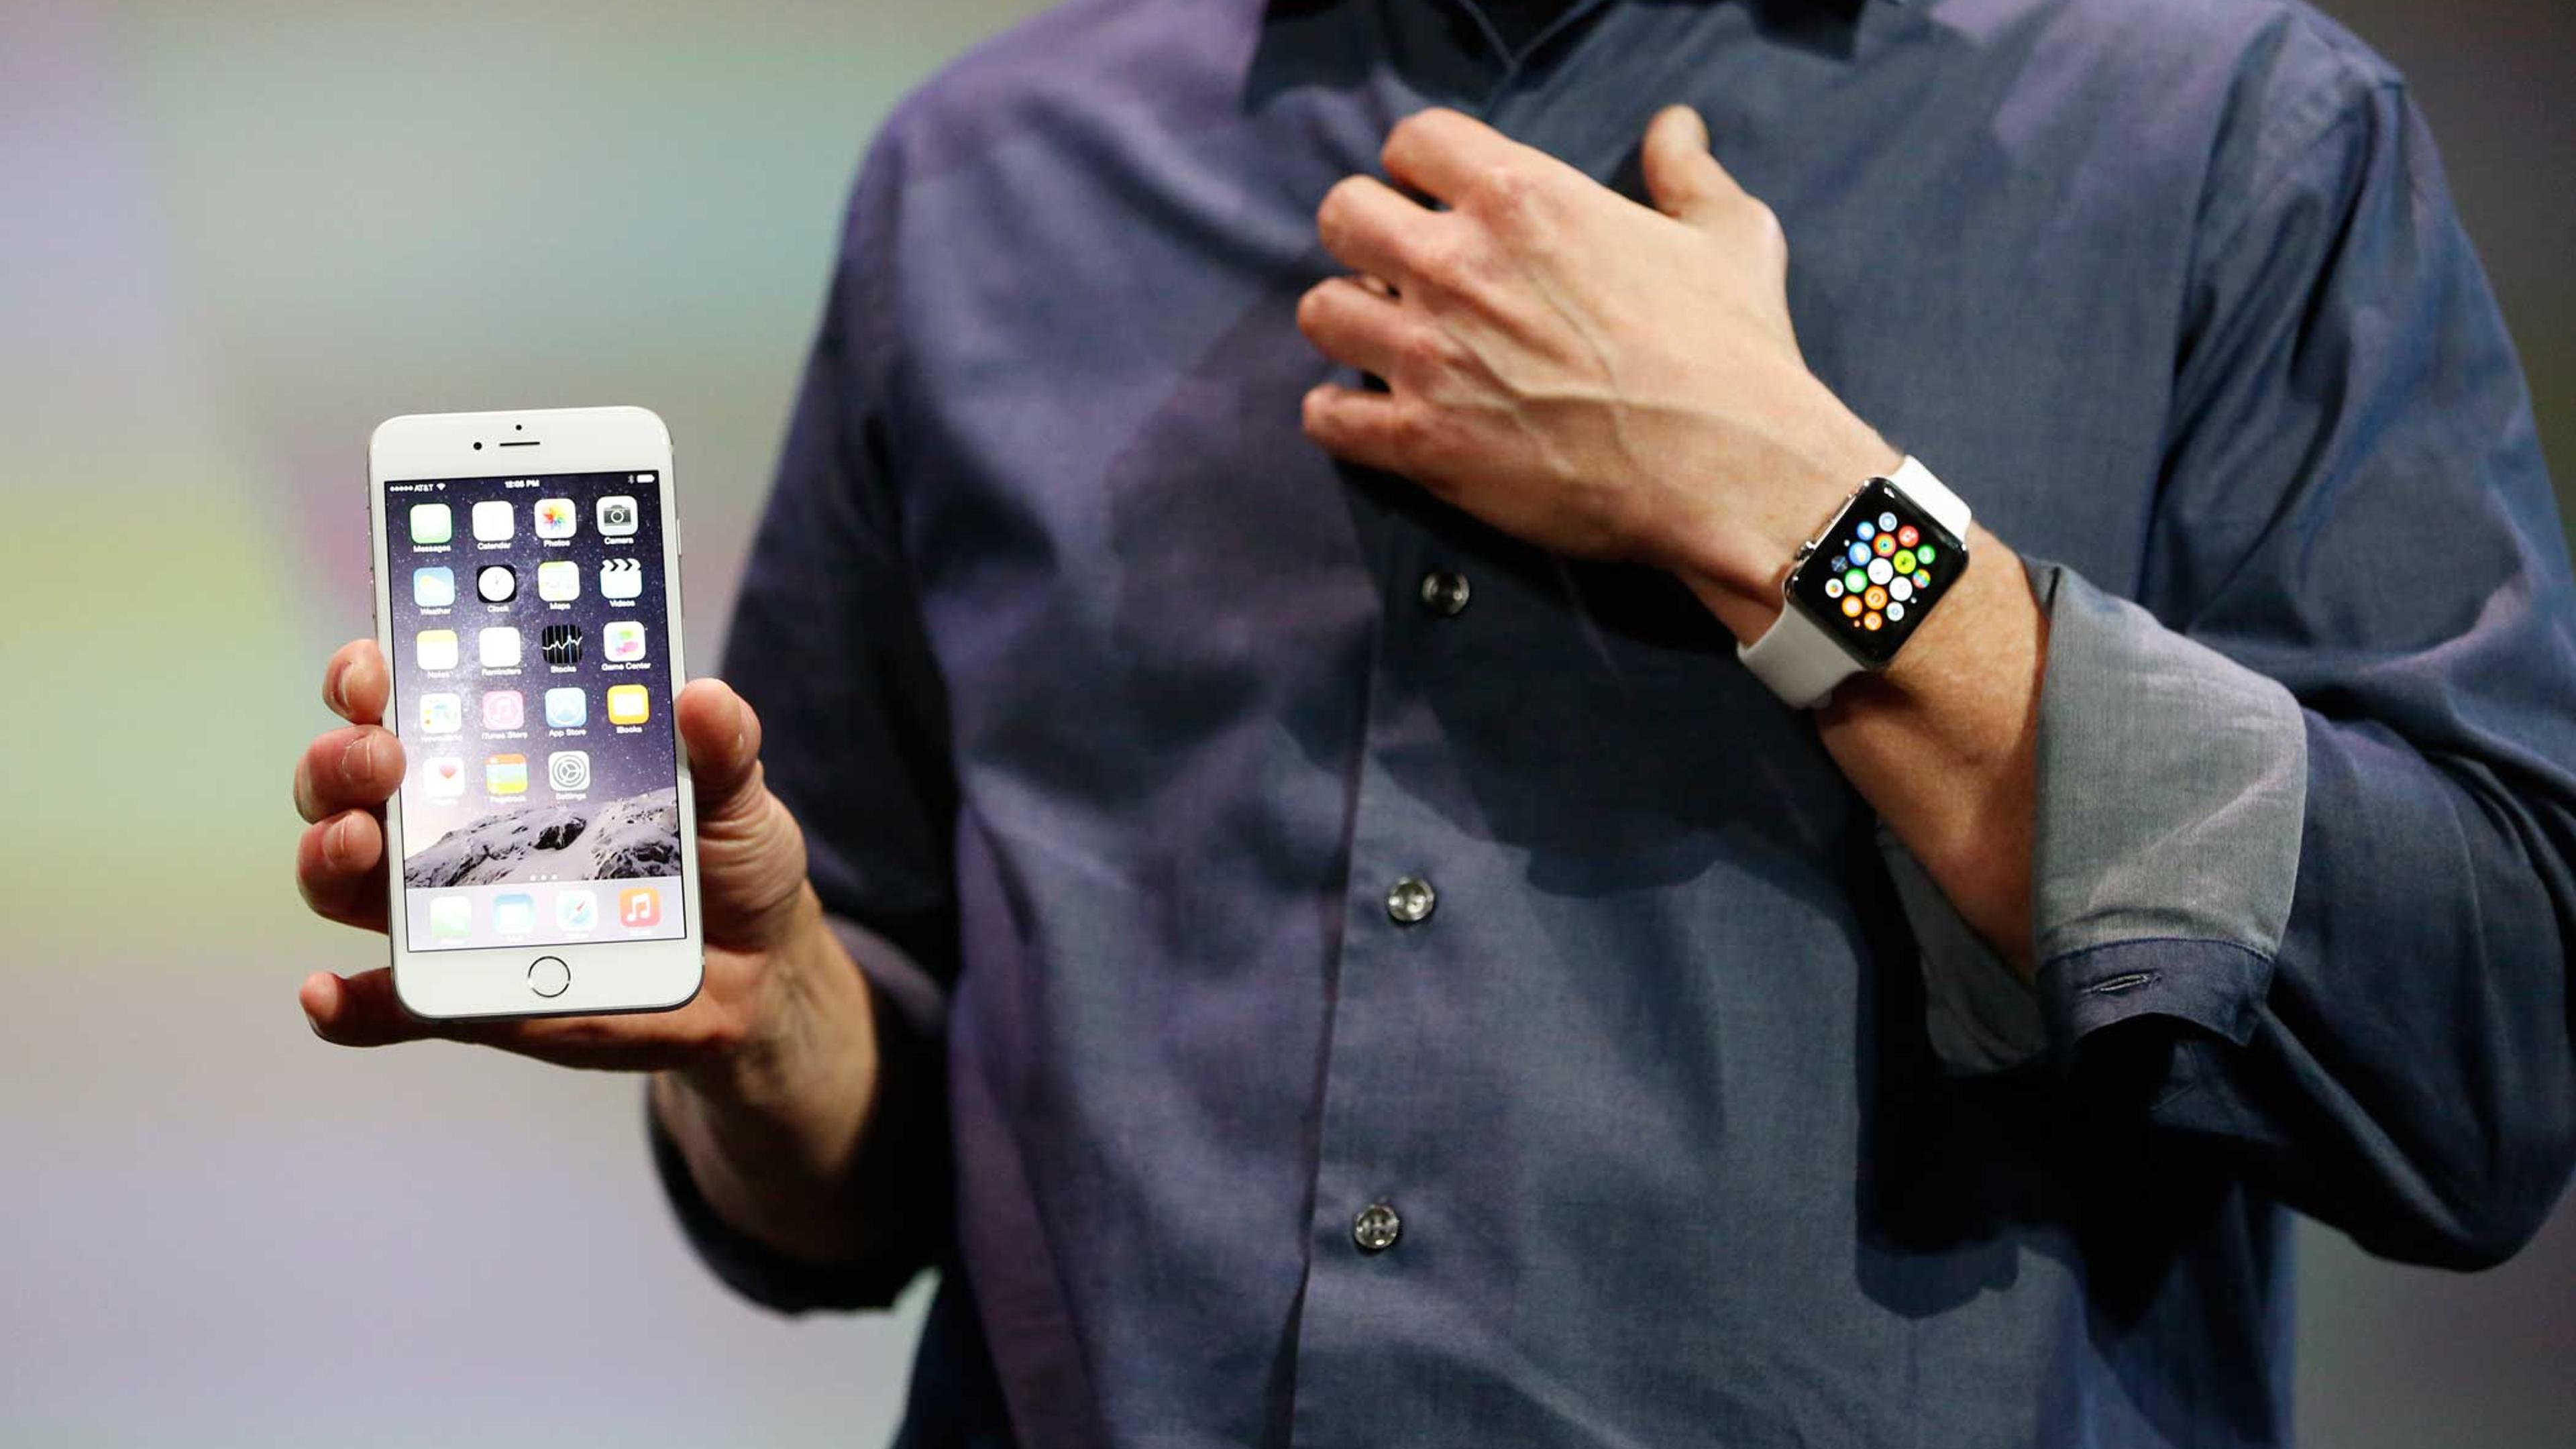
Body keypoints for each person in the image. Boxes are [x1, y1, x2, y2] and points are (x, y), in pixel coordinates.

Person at [290, 0, 2576, 1443]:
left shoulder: (2228, 134)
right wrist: (771, 1020)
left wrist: (1798, 509)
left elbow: (2478, 1049)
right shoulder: (981, 181)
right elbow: (860, 1173)